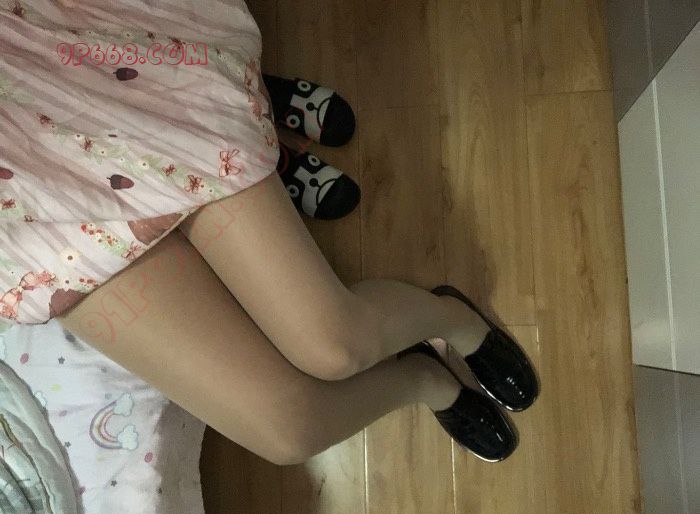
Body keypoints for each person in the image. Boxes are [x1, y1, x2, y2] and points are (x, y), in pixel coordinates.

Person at [0, 0, 538, 465]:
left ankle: (453, 318)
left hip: (62, 83)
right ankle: (422, 378)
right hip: (27, 217)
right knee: (288, 433)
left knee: (336, 346)